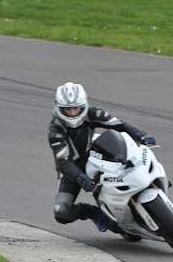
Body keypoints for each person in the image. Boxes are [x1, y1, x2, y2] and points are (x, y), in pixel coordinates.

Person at [47, 81, 155, 233]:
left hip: (96, 157)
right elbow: (63, 162)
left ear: (83, 105)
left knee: (129, 158)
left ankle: (152, 181)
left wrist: (141, 135)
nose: (72, 112)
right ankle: (95, 213)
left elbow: (119, 125)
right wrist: (81, 178)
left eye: (76, 108)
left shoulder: (92, 113)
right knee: (61, 212)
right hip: (71, 170)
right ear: (59, 108)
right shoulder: (55, 130)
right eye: (67, 109)